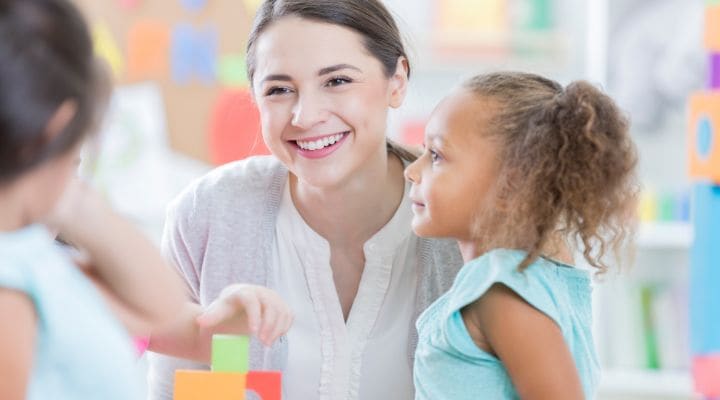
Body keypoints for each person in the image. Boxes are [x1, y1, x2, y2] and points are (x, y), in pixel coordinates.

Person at [146, 0, 464, 399]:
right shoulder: (208, 213)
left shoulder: (467, 222)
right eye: (279, 89)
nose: (305, 115)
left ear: (396, 82)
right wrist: (222, 342)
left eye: (337, 81)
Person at [406, 71, 639, 399]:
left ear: (510, 185)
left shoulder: (500, 286)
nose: (412, 171)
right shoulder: (541, 275)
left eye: (436, 156)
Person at [0, 0, 187, 398]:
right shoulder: (10, 288)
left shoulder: (29, 255)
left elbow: (162, 306)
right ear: (59, 127)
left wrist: (57, 185)